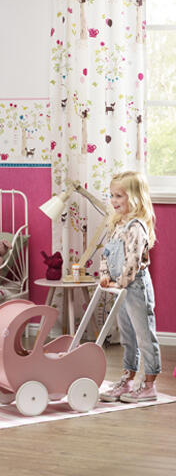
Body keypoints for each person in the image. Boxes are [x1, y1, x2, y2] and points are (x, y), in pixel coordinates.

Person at [98, 171, 161, 403]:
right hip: (119, 288)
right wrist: (105, 275)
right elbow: (106, 253)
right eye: (112, 195)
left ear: (134, 197)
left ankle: (149, 384)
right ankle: (128, 379)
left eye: (119, 196)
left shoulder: (136, 227)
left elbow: (133, 261)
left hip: (135, 287)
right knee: (127, 336)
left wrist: (121, 282)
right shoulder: (116, 224)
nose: (114, 200)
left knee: (144, 335)